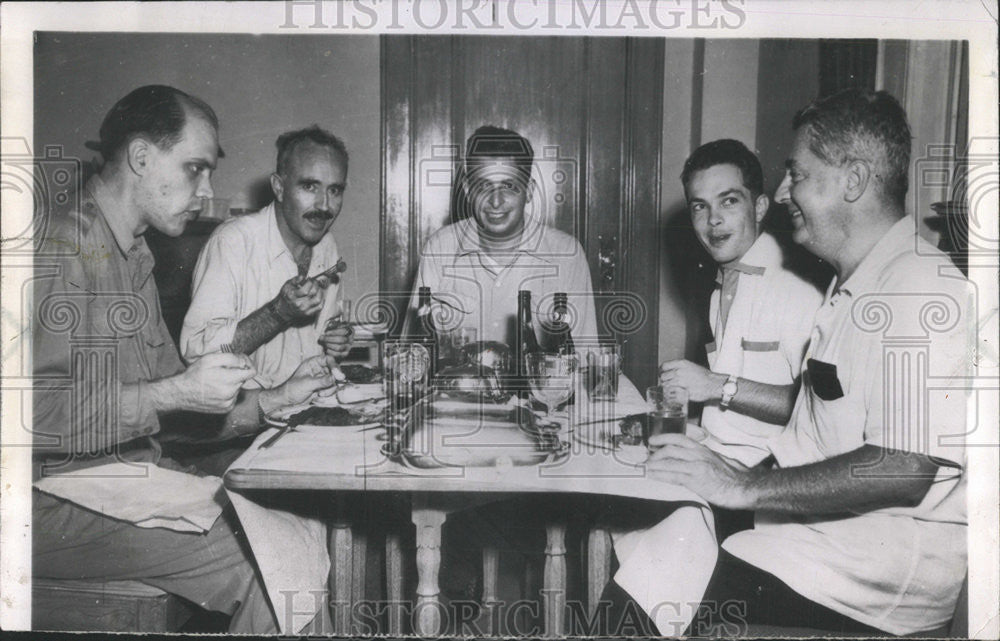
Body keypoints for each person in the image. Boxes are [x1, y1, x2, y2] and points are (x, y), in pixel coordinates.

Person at [608, 89, 970, 636]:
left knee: (669, 588)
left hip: (864, 577)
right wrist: (729, 472)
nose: (780, 194)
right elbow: (816, 432)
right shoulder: (851, 283)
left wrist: (742, 487)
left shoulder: (920, 286)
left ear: (852, 180)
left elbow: (904, 467)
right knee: (653, 560)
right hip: (807, 542)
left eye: (796, 174)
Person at [31, 85, 336, 632]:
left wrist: (273, 401)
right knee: (265, 567)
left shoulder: (133, 254)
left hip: (123, 478)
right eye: (195, 168)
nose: (208, 189)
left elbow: (177, 405)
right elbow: (30, 419)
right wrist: (174, 394)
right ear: (142, 157)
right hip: (39, 502)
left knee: (299, 530)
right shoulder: (63, 248)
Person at [176, 126, 354, 470]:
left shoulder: (327, 248)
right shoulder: (234, 242)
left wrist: (335, 340)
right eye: (309, 187)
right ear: (278, 187)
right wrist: (277, 314)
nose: (324, 206)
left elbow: (318, 347)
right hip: (234, 435)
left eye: (335, 190)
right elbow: (197, 354)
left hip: (301, 425)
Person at [660, 138, 824, 467]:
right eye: (699, 206)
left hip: (767, 473)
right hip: (718, 454)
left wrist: (714, 385)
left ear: (760, 207)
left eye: (729, 201)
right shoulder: (724, 283)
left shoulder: (795, 289)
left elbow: (815, 408)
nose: (713, 219)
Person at [405, 125, 598, 349]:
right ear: (467, 190)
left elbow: (583, 359)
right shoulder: (439, 248)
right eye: (483, 186)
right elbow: (412, 355)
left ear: (528, 191)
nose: (495, 201)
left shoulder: (566, 254)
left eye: (508, 186)